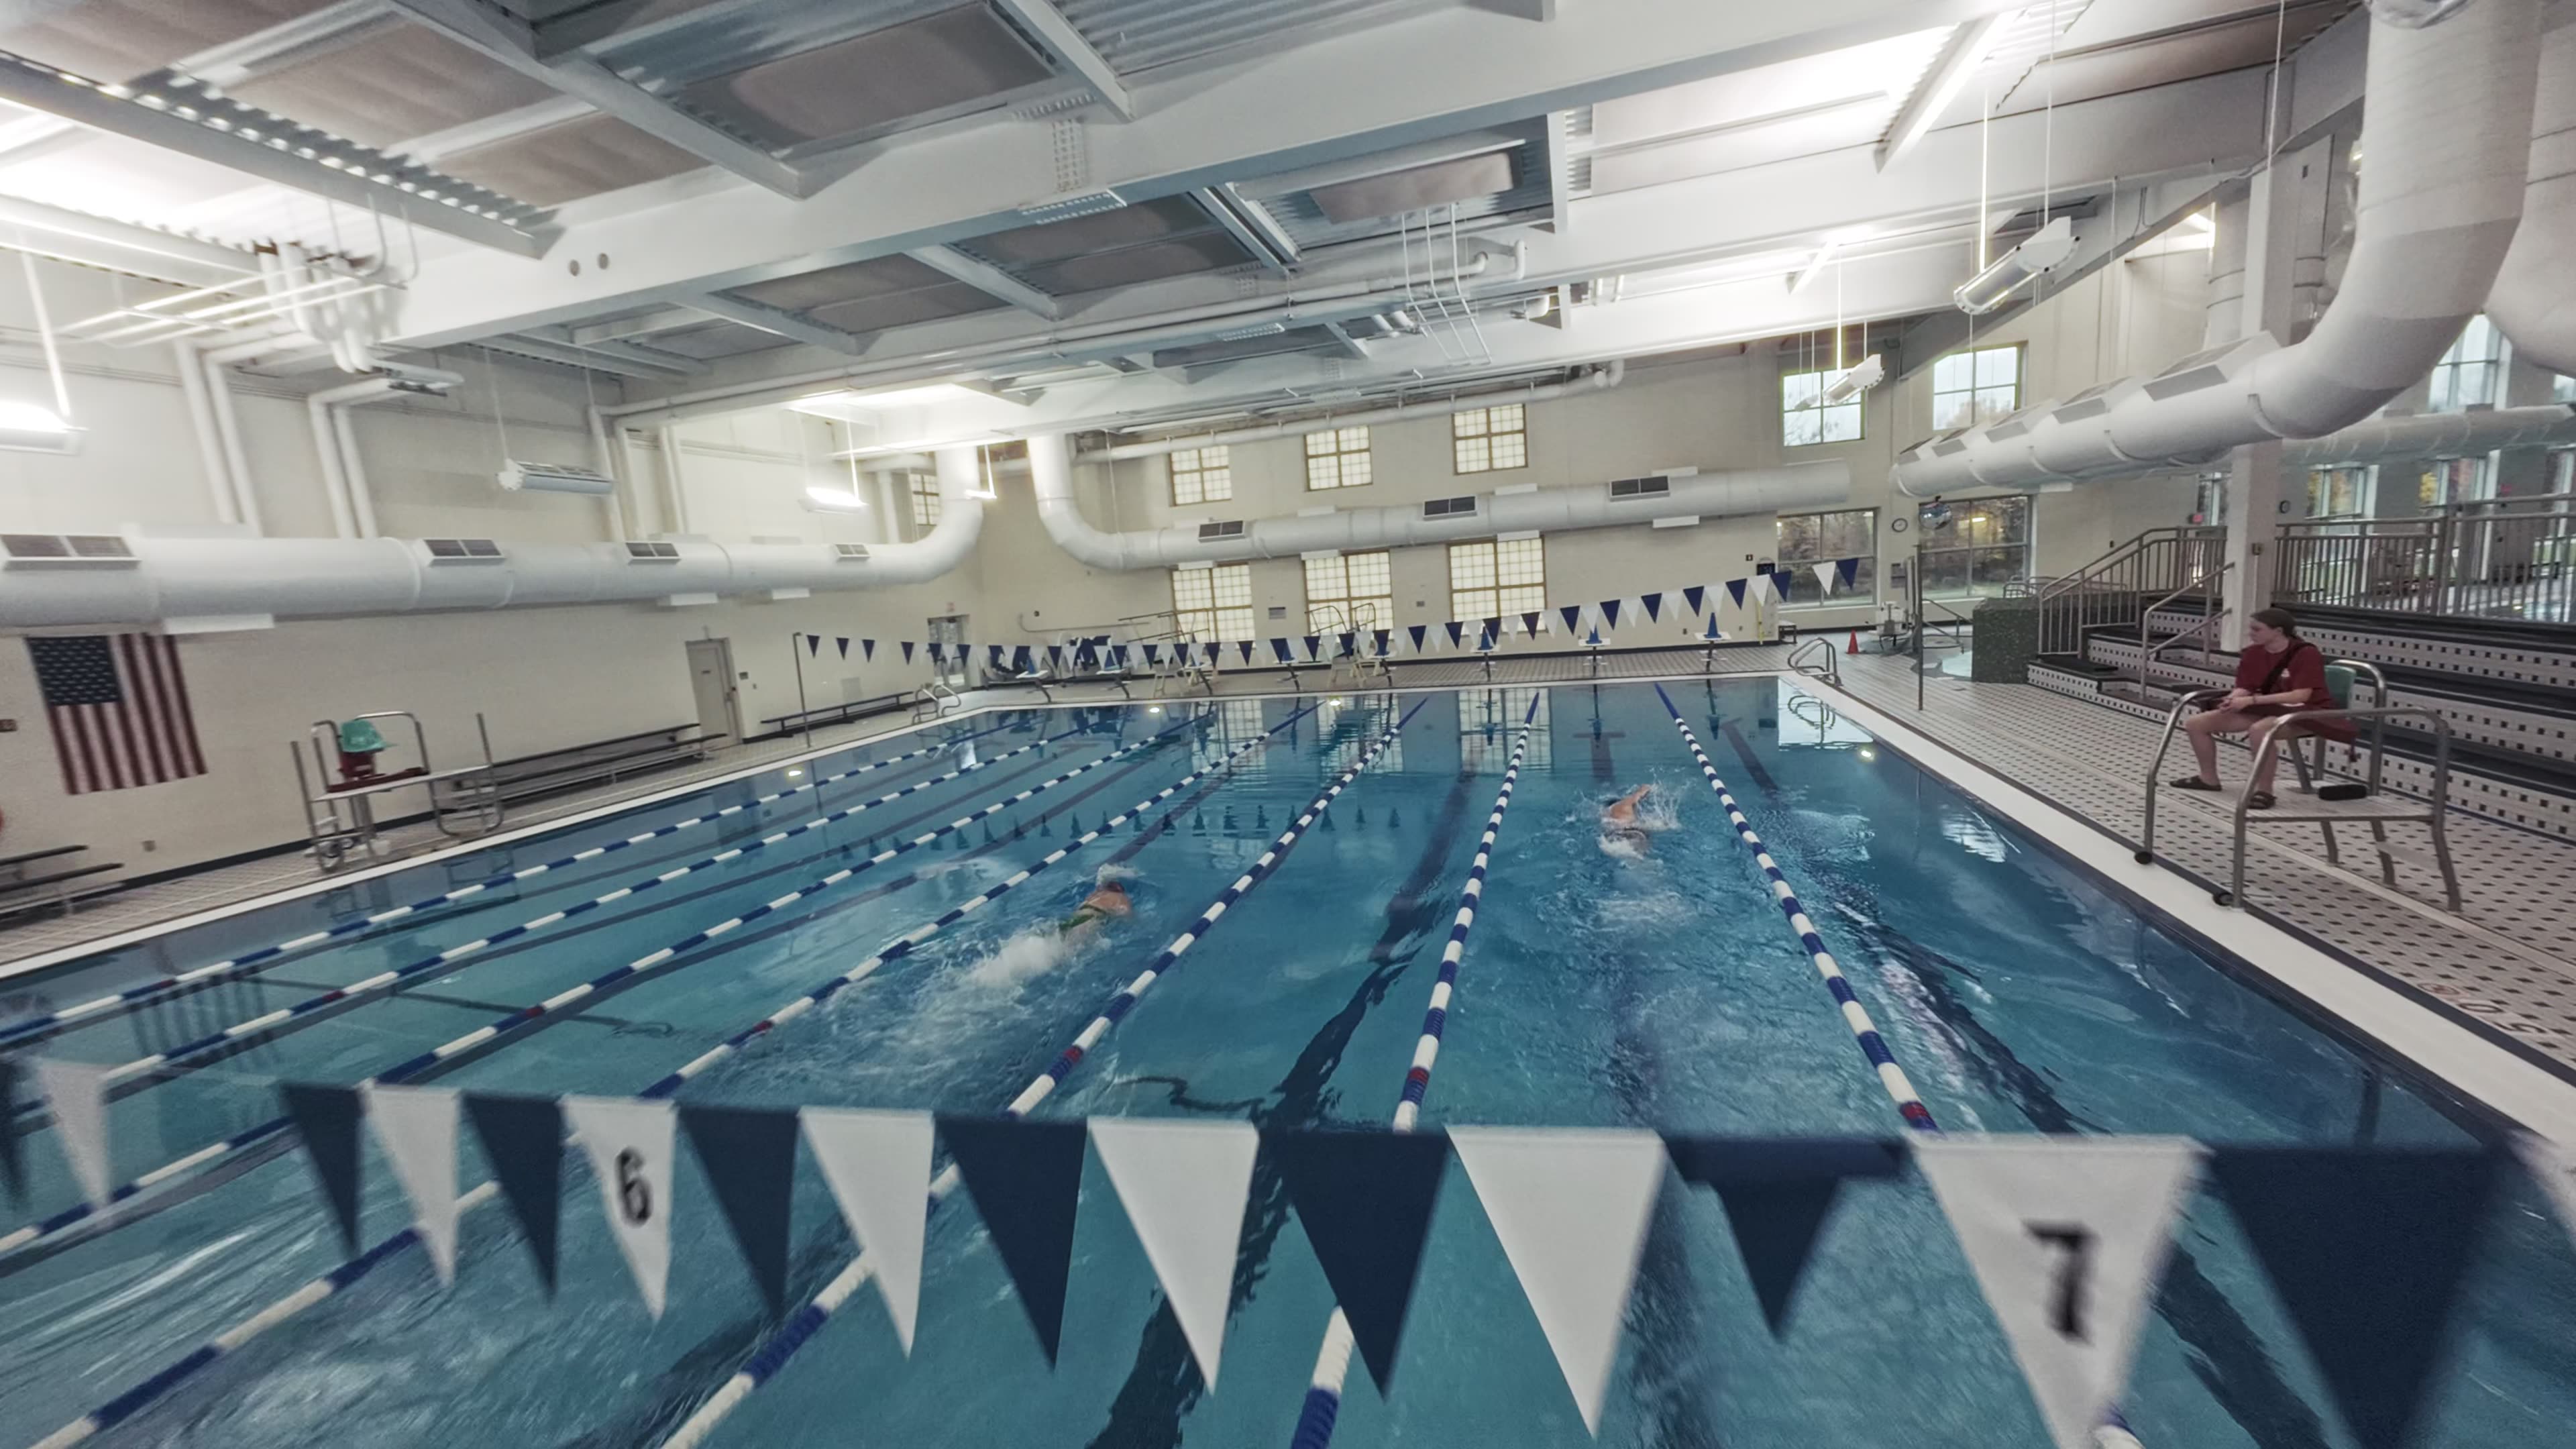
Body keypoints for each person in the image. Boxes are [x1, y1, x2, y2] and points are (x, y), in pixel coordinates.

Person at [2169, 607, 2354, 808]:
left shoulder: (2306, 653)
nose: (2251, 634)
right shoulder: (2253, 653)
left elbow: (2301, 696)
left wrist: (2251, 702)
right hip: (2269, 708)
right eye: (2251, 629)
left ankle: (2265, 792)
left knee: (2261, 731)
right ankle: (2208, 779)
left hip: (2307, 712)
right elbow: (2245, 686)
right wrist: (2232, 699)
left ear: (2278, 631)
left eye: (2257, 629)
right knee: (2196, 724)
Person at [1057, 877, 1133, 936]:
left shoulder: (1097, 894)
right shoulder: (1122, 897)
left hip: (1080, 912)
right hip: (1091, 918)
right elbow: (1126, 913)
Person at [1601, 784, 1656, 856]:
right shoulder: (1626, 803)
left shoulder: (1606, 813)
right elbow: (1639, 794)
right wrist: (1647, 787)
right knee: (1641, 853)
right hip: (1635, 831)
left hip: (1615, 833)